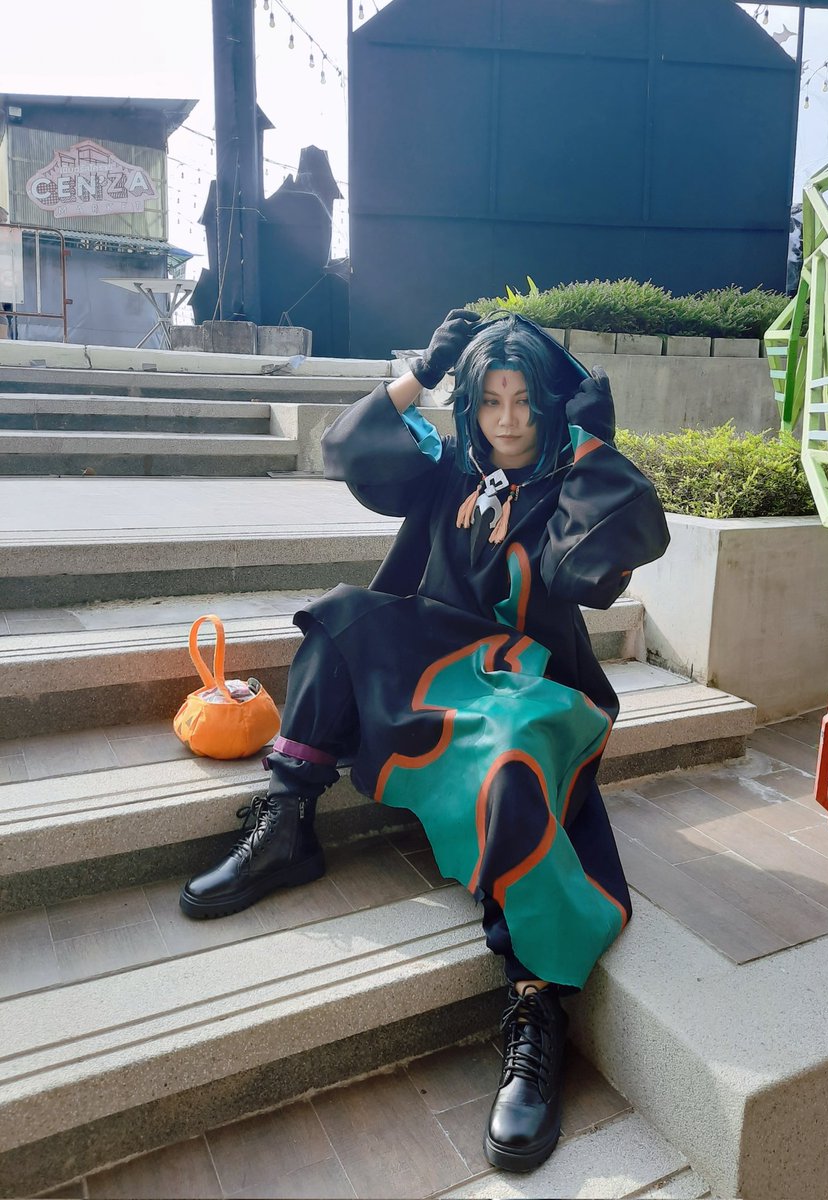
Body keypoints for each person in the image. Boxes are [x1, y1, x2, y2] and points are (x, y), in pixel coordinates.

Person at [179, 309, 670, 1172]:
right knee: (340, 619)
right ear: (472, 405)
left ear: (548, 406)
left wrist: (595, 444)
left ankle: (536, 1003)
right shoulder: (449, 468)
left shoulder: (569, 483)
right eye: (491, 401)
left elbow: (583, 572)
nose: (508, 420)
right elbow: (349, 448)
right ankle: (288, 825)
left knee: (514, 752)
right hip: (437, 653)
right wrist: (425, 372)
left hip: (532, 683)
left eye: (525, 401)